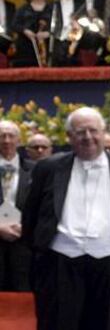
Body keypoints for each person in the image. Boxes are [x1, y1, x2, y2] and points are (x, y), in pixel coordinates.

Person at [23, 107, 110, 330]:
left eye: (93, 130)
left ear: (103, 132)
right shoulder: (48, 168)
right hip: (60, 260)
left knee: (103, 323)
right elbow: (31, 215)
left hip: (109, 261)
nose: (88, 137)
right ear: (69, 137)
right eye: (80, 132)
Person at [0, 120, 33, 291]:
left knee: (22, 295)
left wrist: (26, 226)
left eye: (10, 136)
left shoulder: (36, 170)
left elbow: (43, 206)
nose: (6, 140)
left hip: (24, 244)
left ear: (19, 140)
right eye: (2, 136)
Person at [12, 0, 51, 67]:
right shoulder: (23, 8)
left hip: (46, 46)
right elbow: (14, 24)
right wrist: (25, 31)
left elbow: (58, 26)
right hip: (25, 46)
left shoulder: (52, 9)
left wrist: (48, 33)